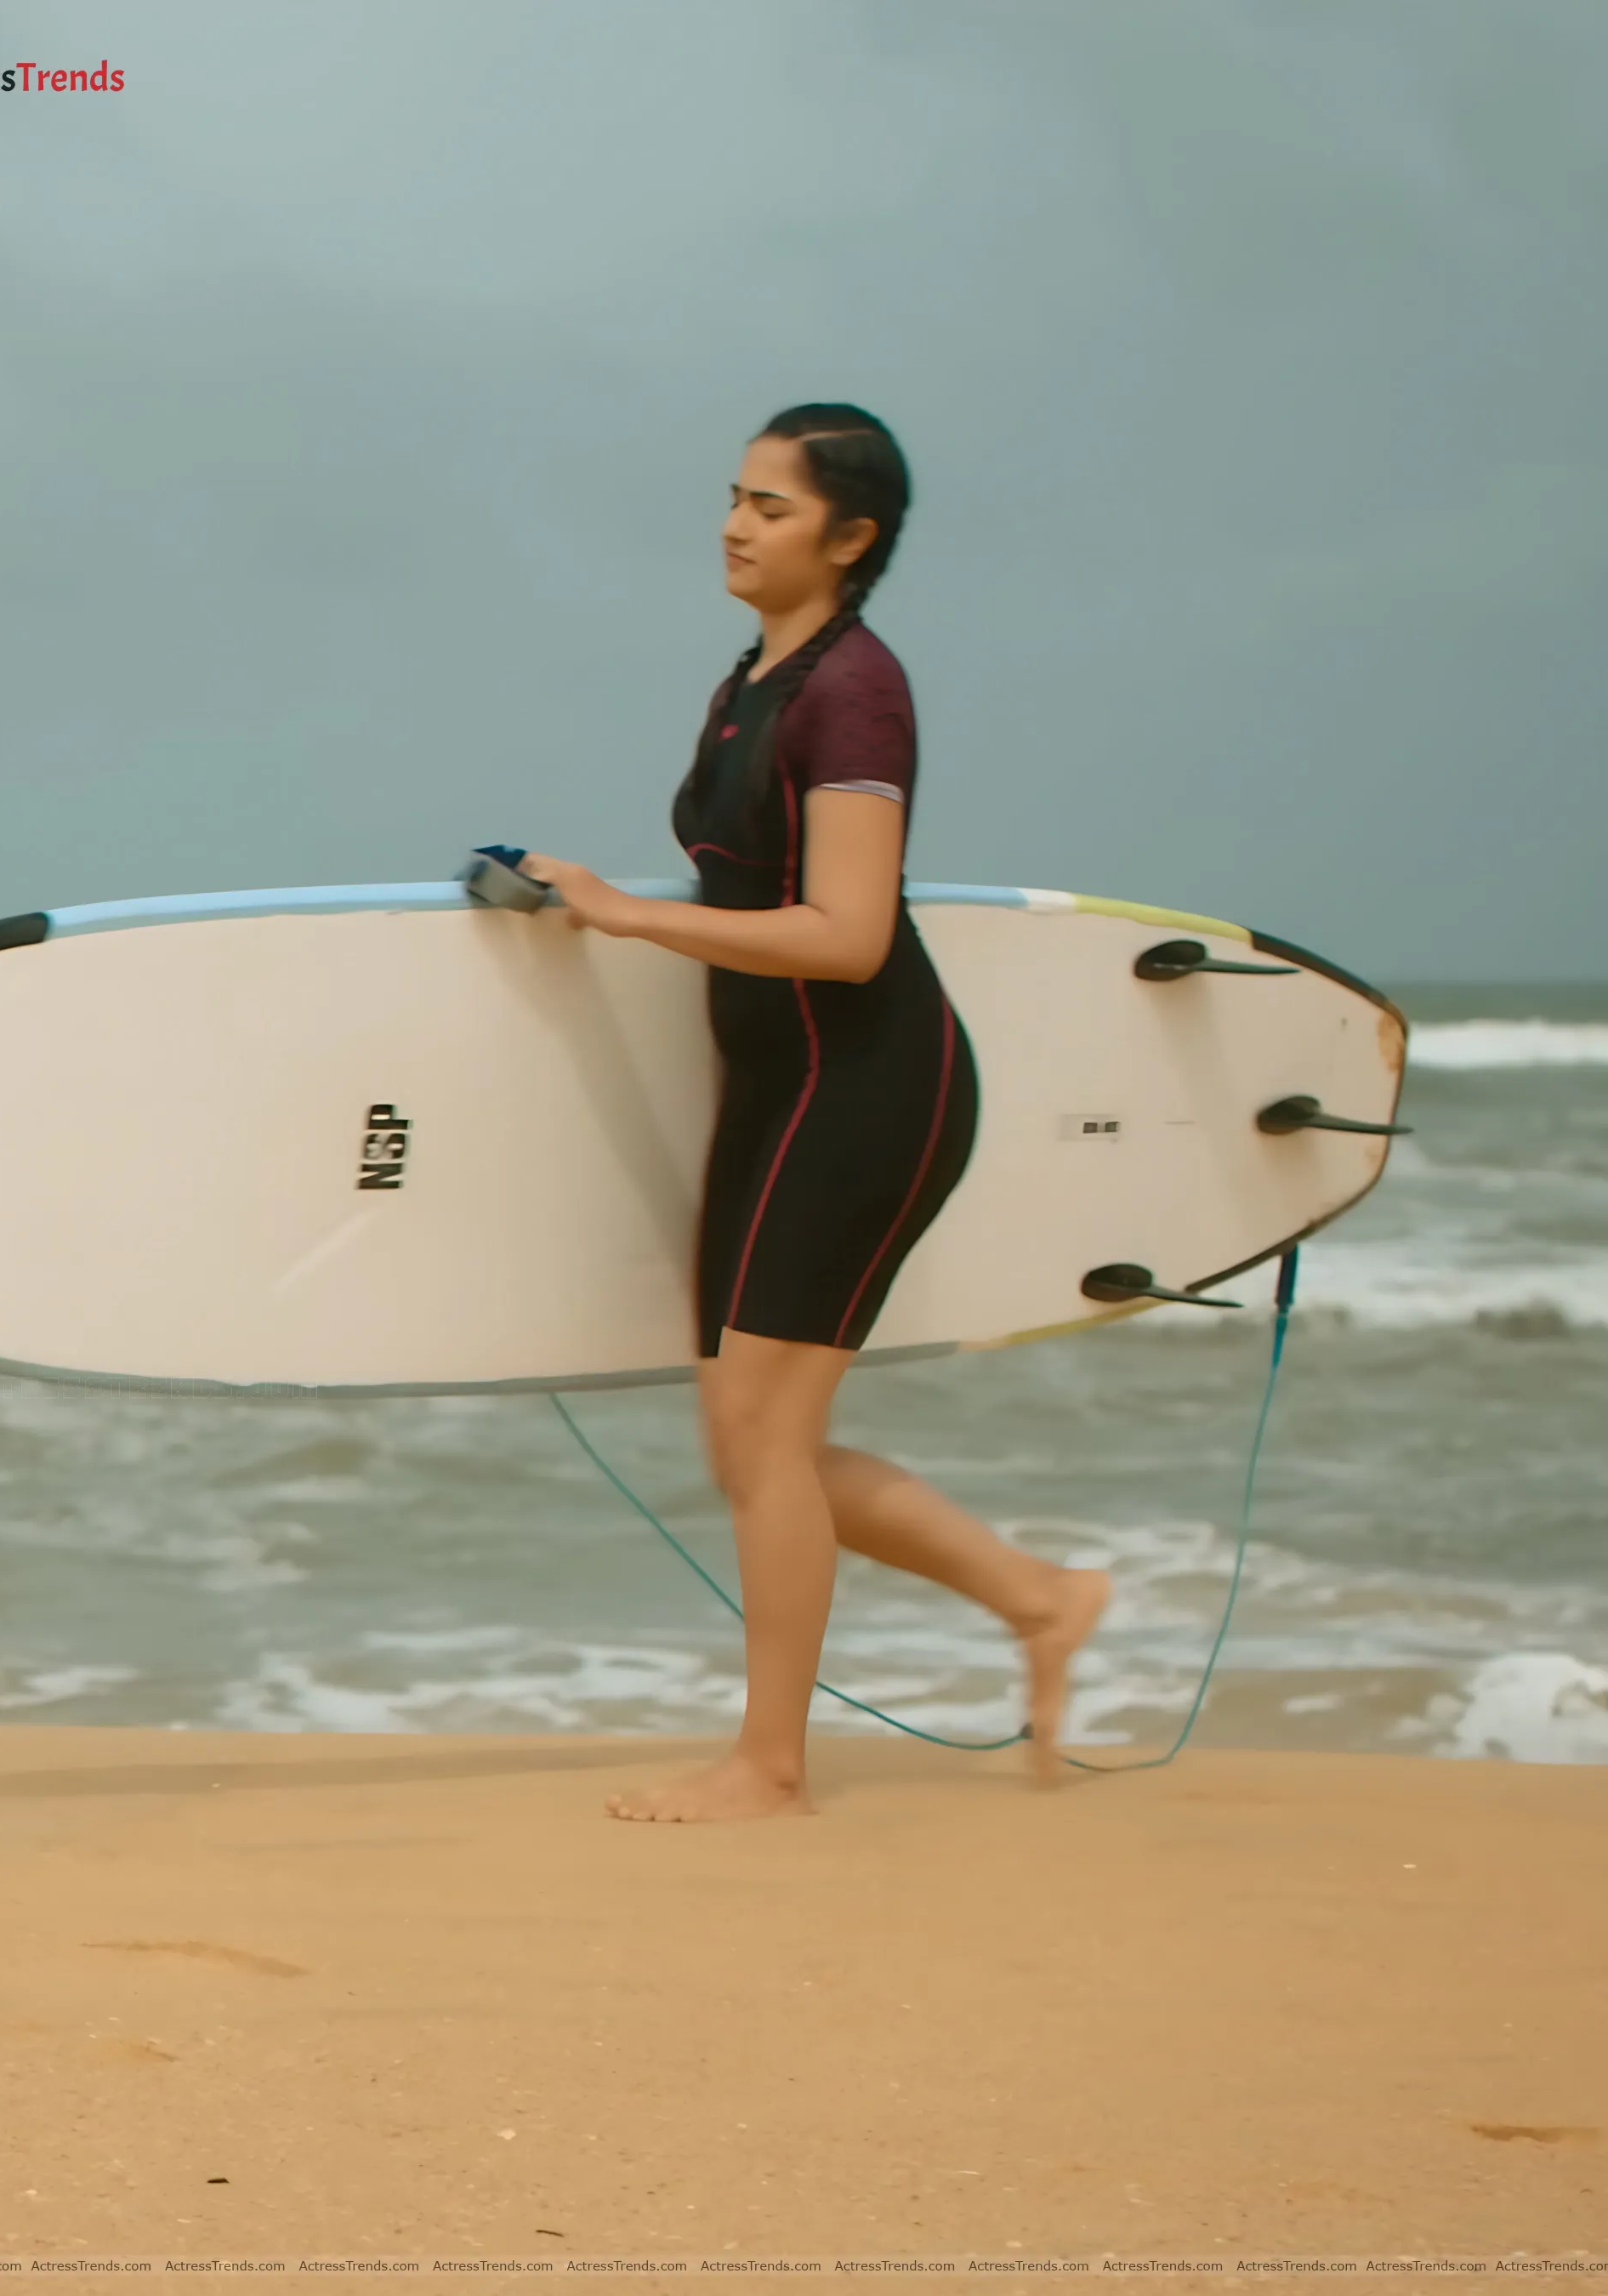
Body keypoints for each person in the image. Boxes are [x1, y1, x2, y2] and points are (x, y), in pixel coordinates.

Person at [520, 403, 1109, 1822]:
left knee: (767, 1443)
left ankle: (769, 1768)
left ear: (852, 538)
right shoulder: (755, 677)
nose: (735, 524)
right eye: (734, 497)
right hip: (775, 1088)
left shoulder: (858, 693)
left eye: (772, 508)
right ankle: (1041, 1598)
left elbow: (848, 935)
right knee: (747, 1443)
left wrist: (623, 919)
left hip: (865, 1087)